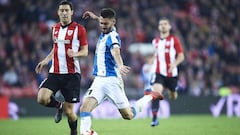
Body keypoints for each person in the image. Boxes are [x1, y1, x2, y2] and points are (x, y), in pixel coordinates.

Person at [35, 1, 88, 135]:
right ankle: (58, 105)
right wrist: (46, 60)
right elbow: (56, 47)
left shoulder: (79, 29)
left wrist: (75, 54)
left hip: (72, 75)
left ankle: (74, 132)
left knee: (69, 112)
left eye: (66, 10)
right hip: (55, 72)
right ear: (58, 12)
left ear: (71, 12)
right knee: (42, 98)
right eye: (62, 10)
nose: (64, 13)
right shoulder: (54, 28)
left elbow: (85, 51)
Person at [79, 8, 136, 134]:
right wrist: (94, 16)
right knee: (84, 108)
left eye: (105, 24)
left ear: (113, 22)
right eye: (101, 23)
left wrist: (120, 65)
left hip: (112, 81)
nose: (102, 26)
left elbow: (116, 51)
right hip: (99, 80)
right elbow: (101, 19)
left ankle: (145, 100)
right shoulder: (105, 27)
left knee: (128, 115)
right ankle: (85, 133)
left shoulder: (113, 36)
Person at [139, 17, 185, 126]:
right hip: (158, 72)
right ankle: (154, 118)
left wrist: (174, 64)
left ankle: (173, 91)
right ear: (159, 27)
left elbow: (181, 56)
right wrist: (149, 65)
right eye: (161, 24)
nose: (163, 26)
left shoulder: (174, 40)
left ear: (169, 26)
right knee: (156, 93)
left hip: (171, 73)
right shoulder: (155, 41)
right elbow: (155, 56)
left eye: (165, 24)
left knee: (173, 96)